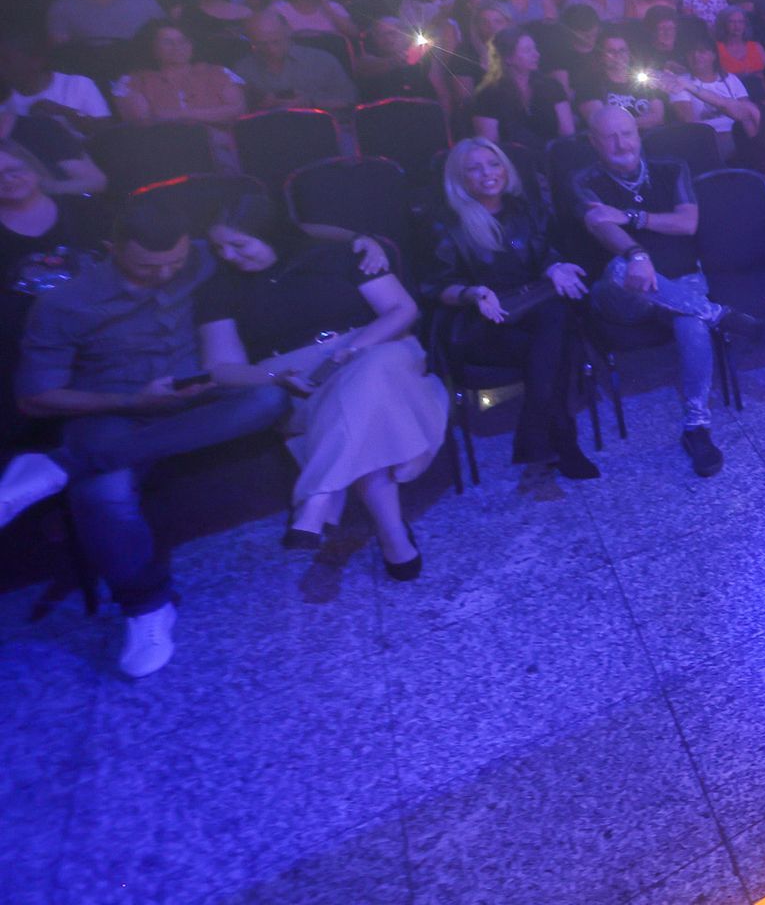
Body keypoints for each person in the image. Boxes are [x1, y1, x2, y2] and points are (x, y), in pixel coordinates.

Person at [8, 201, 290, 676]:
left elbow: (276, 235)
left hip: (191, 395)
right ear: (111, 249)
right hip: (112, 407)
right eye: (146, 265)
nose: (163, 274)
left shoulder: (203, 256)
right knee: (102, 494)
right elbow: (35, 398)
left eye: (174, 264)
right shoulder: (65, 303)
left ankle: (63, 463)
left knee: (268, 400)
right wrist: (133, 403)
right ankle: (146, 607)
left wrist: (360, 242)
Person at [195, 195, 446, 578]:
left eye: (238, 244)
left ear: (269, 233)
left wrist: (351, 350)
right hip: (297, 378)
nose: (228, 255)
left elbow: (403, 310)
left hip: (375, 348)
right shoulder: (219, 290)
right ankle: (392, 535)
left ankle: (317, 497)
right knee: (360, 411)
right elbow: (221, 367)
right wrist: (274, 377)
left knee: (370, 374)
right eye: (218, 248)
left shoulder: (337, 255)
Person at [570, 107, 765, 477]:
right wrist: (637, 254)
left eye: (627, 134)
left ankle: (697, 428)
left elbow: (687, 223)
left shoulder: (671, 168)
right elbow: (600, 225)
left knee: (690, 322)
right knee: (619, 269)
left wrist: (633, 218)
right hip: (623, 294)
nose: (621, 143)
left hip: (682, 280)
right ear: (594, 142)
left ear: (638, 134)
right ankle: (718, 314)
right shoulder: (585, 180)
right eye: (610, 137)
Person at [425, 137, 598, 481]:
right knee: (559, 341)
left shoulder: (524, 209)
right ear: (459, 178)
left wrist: (554, 267)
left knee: (554, 329)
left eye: (493, 164)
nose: (487, 174)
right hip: (481, 324)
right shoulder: (446, 224)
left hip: (530, 312)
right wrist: (473, 293)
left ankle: (541, 437)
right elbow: (433, 285)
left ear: (505, 168)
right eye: (474, 168)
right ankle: (560, 441)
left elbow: (544, 252)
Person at [0, 141, 102, 452]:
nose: (7, 179)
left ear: (34, 169)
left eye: (14, 169)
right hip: (19, 328)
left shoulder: (84, 209)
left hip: (93, 313)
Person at [112, 21, 249, 157]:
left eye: (184, 41)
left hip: (224, 150)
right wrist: (211, 118)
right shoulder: (133, 81)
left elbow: (237, 111)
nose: (178, 47)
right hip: (166, 154)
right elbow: (145, 124)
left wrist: (178, 114)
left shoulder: (217, 72)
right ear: (151, 46)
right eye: (167, 42)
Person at [234, 10, 358, 111]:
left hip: (322, 129)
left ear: (288, 31)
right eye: (261, 44)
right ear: (250, 41)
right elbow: (234, 112)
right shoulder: (243, 70)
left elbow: (349, 99)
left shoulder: (322, 60)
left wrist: (311, 102)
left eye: (276, 41)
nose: (271, 49)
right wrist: (260, 106)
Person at [471, 25, 573, 146]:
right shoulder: (488, 96)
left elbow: (568, 134)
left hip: (553, 157)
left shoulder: (551, 86)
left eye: (535, 49)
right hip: (513, 160)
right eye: (527, 50)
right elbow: (490, 146)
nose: (537, 55)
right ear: (508, 58)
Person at [0, 33, 111, 132]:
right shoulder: (4, 103)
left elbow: (106, 132)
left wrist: (64, 112)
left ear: (36, 61)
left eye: (6, 61)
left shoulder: (77, 85)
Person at [665, 41, 752, 158]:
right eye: (691, 52)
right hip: (705, 140)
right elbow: (688, 121)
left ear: (713, 55)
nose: (696, 56)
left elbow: (747, 113)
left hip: (738, 135)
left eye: (702, 51)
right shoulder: (680, 82)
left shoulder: (730, 79)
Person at [573, 32, 666, 130]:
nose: (618, 55)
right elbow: (603, 124)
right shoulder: (589, 84)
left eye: (622, 50)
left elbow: (658, 117)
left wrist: (622, 123)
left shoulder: (643, 79)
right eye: (611, 51)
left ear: (629, 53)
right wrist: (644, 121)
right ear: (601, 55)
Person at [713, 7, 765, 76]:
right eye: (731, 22)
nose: (737, 26)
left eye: (741, 21)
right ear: (723, 24)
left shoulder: (757, 47)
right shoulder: (715, 49)